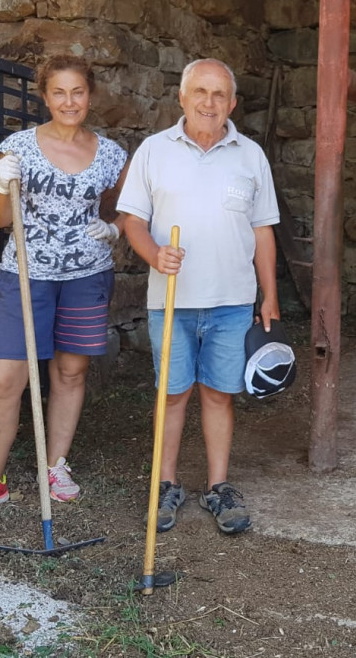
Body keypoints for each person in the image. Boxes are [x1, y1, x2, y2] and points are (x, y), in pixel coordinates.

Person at [0, 55, 128, 516]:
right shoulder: (19, 147)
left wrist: (114, 229)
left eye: (78, 92)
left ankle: (56, 467)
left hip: (88, 274)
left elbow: (122, 209)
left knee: (70, 372)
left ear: (90, 95)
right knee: (3, 377)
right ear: (45, 96)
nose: (69, 102)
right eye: (59, 92)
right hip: (26, 273)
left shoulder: (111, 155)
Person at [117, 58, 281, 535]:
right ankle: (165, 484)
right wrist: (153, 254)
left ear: (231, 103)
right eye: (200, 92)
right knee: (172, 394)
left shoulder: (250, 155)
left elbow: (264, 231)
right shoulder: (154, 151)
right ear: (183, 98)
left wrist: (268, 295)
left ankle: (218, 486)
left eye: (219, 95)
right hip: (171, 299)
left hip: (232, 300)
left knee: (219, 394)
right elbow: (132, 220)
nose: (209, 102)